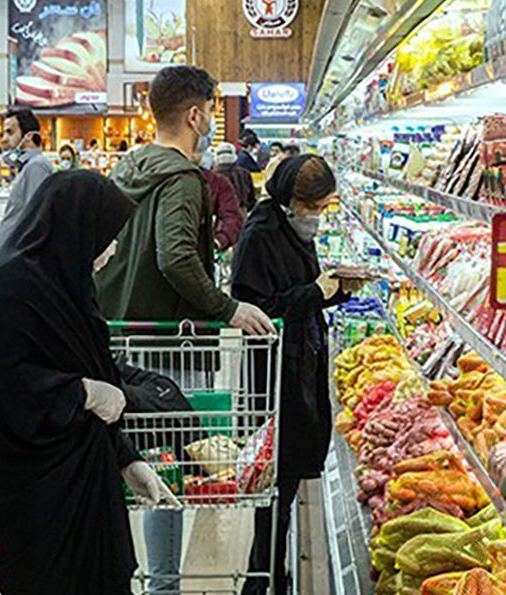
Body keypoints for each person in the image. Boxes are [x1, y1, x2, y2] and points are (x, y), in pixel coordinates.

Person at [97, 65, 274, 592]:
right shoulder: (182, 179)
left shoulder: (128, 168)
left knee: (140, 460)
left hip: (123, 332)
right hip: (170, 341)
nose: (213, 122)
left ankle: (139, 575)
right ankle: (165, 584)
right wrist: (226, 308)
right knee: (169, 463)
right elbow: (174, 256)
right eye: (212, 112)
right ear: (195, 115)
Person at [0, 171, 175, 594]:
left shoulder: (62, 282)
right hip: (23, 503)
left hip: (74, 487)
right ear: (75, 228)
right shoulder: (7, 290)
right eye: (106, 236)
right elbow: (0, 385)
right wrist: (81, 392)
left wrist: (126, 460)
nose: (112, 249)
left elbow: (80, 364)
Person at [231, 155, 364, 595]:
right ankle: (264, 579)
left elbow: (300, 293)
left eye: (323, 207)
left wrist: (335, 291)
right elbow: (257, 309)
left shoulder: (290, 231)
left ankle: (270, 575)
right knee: (274, 486)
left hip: (296, 364)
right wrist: (314, 291)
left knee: (282, 488)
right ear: (290, 200)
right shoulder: (260, 235)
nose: (317, 216)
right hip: (274, 377)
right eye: (312, 207)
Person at [0, 108, 53, 245]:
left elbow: (36, 216)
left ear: (28, 136)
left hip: (20, 248)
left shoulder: (36, 167)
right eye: (3, 133)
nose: (4, 139)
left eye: (10, 132)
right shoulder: (27, 166)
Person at [200, 149, 243, 252]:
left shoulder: (215, 180)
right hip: (204, 247)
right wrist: (219, 240)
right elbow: (232, 216)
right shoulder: (217, 181)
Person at [216, 144, 257, 213]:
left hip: (219, 214)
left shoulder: (212, 176)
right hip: (241, 213)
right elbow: (251, 199)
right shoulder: (244, 173)